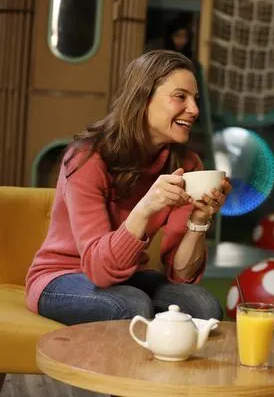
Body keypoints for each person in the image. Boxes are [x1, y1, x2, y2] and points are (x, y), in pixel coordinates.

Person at [25, 50, 231, 325]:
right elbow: (99, 271)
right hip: (60, 277)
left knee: (204, 307)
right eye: (180, 97)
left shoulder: (186, 163)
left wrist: (199, 220)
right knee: (132, 305)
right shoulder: (87, 158)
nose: (194, 110)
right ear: (142, 99)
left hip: (129, 275)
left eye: (195, 99)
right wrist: (146, 207)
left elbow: (180, 276)